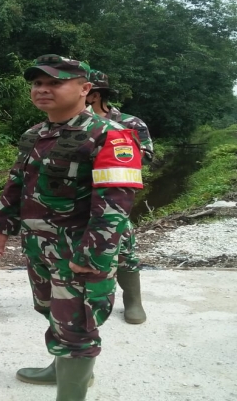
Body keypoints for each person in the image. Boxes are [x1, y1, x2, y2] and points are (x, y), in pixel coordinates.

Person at [0, 55, 143, 400]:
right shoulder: (36, 133)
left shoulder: (110, 135)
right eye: (37, 83)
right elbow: (17, 182)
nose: (43, 89)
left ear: (85, 89)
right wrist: (1, 225)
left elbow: (114, 206)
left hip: (79, 250)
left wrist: (91, 257)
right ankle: (60, 369)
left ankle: (71, 390)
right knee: (52, 311)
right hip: (39, 246)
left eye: (55, 83)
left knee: (78, 325)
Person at [86, 69, 152, 324]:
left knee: (123, 246)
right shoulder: (69, 124)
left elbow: (146, 156)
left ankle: (132, 300)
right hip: (75, 197)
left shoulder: (130, 123)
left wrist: (110, 148)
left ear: (94, 95)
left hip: (113, 197)